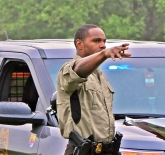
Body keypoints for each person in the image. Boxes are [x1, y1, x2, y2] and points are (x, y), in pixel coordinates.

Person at [56, 24, 131, 155]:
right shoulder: (68, 70)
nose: (102, 45)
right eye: (97, 41)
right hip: (82, 150)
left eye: (104, 42)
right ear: (79, 44)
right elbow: (77, 70)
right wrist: (103, 54)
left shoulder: (100, 75)